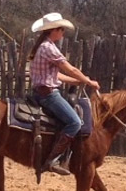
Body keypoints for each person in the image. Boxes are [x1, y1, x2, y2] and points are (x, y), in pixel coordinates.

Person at [29, 12, 100, 176]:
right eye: (61, 29)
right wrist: (88, 81)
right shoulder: (49, 48)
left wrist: (76, 81)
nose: (63, 32)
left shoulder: (42, 46)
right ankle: (52, 160)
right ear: (53, 30)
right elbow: (70, 69)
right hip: (48, 95)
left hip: (40, 92)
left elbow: (55, 75)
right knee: (75, 122)